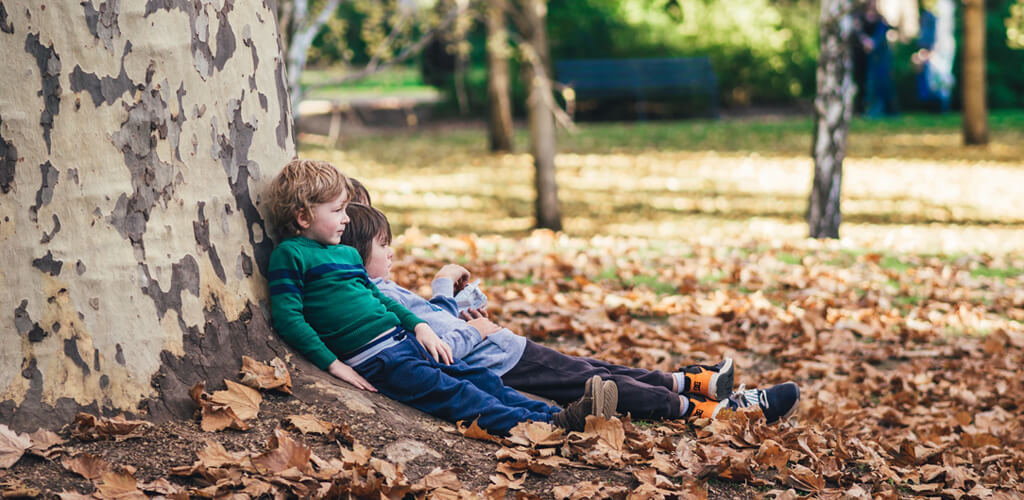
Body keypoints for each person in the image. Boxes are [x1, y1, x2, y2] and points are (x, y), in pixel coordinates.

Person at [340, 202, 802, 424]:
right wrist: (462, 312)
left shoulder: (378, 287)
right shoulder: (375, 295)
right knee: (601, 385)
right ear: (358, 253)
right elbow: (441, 343)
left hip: (505, 349)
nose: (393, 253)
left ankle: (693, 381)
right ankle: (714, 412)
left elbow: (439, 326)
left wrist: (462, 309)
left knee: (599, 369)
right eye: (384, 246)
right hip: (500, 361)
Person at [264, 159, 618, 435]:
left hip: (404, 342)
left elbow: (381, 299)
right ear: (303, 215)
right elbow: (290, 319)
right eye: (337, 211)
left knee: (480, 380)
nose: (345, 219)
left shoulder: (345, 254)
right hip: (379, 360)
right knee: (457, 395)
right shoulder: (292, 255)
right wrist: (332, 364)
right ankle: (542, 428)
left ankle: (560, 416)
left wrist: (420, 327)